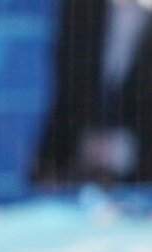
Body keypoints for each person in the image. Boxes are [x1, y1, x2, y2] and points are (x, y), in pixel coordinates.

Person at [35, 0, 152, 186]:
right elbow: (68, 88)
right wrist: (88, 145)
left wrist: (126, 151)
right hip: (72, 165)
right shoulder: (80, 9)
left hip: (141, 175)